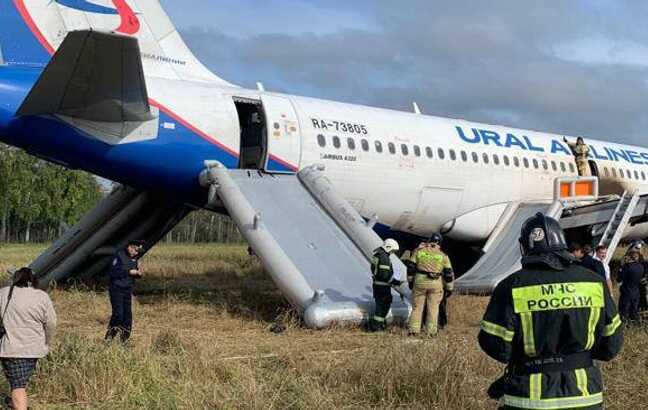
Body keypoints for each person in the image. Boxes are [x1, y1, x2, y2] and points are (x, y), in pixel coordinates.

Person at [479, 213, 623, 409]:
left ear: (525, 246)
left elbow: (494, 343)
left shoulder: (510, 286)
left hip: (528, 397)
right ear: (562, 243)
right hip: (585, 395)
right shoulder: (593, 282)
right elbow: (611, 344)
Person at [0, 268, 56, 410]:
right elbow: (51, 323)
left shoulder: (4, 293)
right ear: (33, 280)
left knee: (18, 386)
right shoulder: (42, 296)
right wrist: (47, 343)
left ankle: (17, 404)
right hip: (34, 349)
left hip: (11, 348)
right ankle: (16, 403)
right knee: (19, 384)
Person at [408, 233, 454, 337]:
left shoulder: (418, 252)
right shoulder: (443, 255)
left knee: (417, 307)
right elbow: (448, 274)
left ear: (429, 241)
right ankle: (431, 332)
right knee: (433, 308)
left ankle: (413, 331)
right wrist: (449, 288)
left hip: (420, 281)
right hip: (435, 283)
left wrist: (410, 281)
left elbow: (410, 267)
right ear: (439, 243)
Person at [105, 240, 145, 343]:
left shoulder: (135, 259)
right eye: (136, 250)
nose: (137, 253)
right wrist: (128, 272)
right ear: (130, 247)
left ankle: (124, 340)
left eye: (138, 252)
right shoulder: (118, 256)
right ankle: (109, 338)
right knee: (118, 314)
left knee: (127, 317)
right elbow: (112, 272)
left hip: (127, 290)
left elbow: (134, 274)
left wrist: (139, 274)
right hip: (116, 289)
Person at [368, 239, 402, 331]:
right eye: (392, 250)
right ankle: (376, 326)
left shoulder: (378, 254)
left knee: (380, 305)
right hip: (382, 286)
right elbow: (384, 274)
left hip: (378, 285)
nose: (392, 253)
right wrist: (395, 281)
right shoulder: (384, 258)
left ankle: (378, 324)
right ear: (388, 247)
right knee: (383, 306)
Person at [618, 250, 645, 324]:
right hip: (636, 291)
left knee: (623, 310)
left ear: (630, 257)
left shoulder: (627, 267)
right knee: (634, 310)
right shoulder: (641, 266)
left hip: (627, 292)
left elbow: (619, 279)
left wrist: (621, 267)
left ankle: (624, 324)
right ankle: (634, 324)